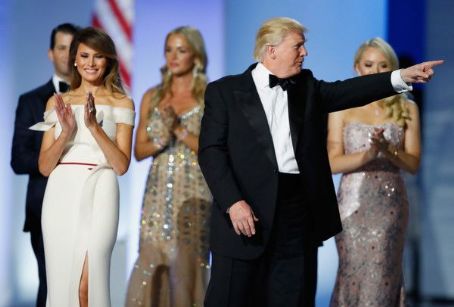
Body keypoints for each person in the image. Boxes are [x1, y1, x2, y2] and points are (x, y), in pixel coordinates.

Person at [198, 17, 442, 307]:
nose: (305, 53)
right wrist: (233, 202)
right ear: (271, 50)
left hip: (296, 214)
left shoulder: (307, 87)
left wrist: (402, 76)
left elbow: (352, 91)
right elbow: (211, 151)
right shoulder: (224, 91)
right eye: (298, 46)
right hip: (244, 215)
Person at [31, 27, 135, 307]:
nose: (91, 63)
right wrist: (66, 132)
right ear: (75, 60)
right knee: (62, 283)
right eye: (85, 55)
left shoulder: (122, 103)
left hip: (101, 187)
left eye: (98, 56)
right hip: (61, 193)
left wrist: (93, 127)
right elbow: (44, 166)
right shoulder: (58, 101)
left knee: (88, 284)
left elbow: (122, 165)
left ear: (108, 61)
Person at [327, 37, 420, 306]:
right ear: (358, 68)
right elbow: (332, 163)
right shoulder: (341, 108)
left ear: (392, 70)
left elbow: (413, 164)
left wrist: (387, 150)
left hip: (389, 207)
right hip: (351, 206)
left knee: (382, 272)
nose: (375, 71)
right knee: (350, 272)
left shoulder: (407, 108)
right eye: (369, 65)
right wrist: (367, 154)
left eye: (383, 66)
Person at [125, 26, 211, 307]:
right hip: (158, 192)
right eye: (169, 50)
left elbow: (215, 150)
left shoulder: (209, 96)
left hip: (194, 191)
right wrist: (163, 138)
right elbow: (138, 151)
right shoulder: (153, 96)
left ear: (196, 57)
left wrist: (180, 131)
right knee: (152, 262)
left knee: (186, 265)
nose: (173, 57)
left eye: (181, 50)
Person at [10, 22, 79, 307]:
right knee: (51, 286)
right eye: (61, 47)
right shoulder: (30, 101)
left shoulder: (94, 100)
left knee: (82, 286)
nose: (67, 54)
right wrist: (54, 154)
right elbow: (18, 159)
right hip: (43, 207)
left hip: (85, 206)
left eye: (72, 48)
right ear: (51, 53)